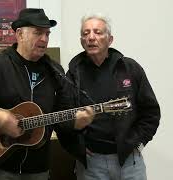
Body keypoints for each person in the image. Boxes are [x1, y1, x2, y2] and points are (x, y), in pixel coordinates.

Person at [0, 8, 93, 180]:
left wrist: (76, 124)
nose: (44, 39)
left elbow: (60, 120)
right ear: (19, 34)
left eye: (47, 34)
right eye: (38, 33)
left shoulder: (55, 71)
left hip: (38, 169)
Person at [63, 14, 161, 180]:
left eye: (98, 32)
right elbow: (62, 118)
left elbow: (151, 112)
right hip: (91, 163)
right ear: (81, 40)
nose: (91, 37)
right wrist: (76, 146)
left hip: (130, 162)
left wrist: (137, 142)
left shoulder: (130, 68)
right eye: (86, 33)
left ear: (110, 39)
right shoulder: (73, 74)